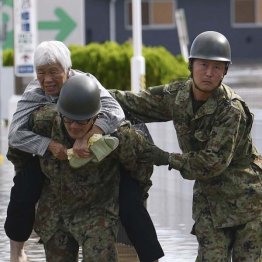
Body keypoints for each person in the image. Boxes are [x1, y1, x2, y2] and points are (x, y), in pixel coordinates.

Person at [5, 40, 163, 262]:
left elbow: (116, 113)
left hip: (99, 171)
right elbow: (15, 136)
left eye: (53, 72)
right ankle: (17, 252)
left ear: (67, 71)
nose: (47, 80)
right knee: (23, 189)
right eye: (41, 73)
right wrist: (48, 146)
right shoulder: (36, 98)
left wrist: (89, 135)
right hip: (50, 156)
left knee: (130, 202)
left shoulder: (87, 86)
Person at [111, 31, 262, 261]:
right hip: (210, 203)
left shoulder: (231, 109)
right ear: (191, 65)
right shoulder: (178, 95)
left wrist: (165, 157)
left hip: (247, 202)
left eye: (217, 67)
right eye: (203, 65)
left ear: (225, 71)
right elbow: (134, 102)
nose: (209, 73)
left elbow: (212, 163)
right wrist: (87, 90)